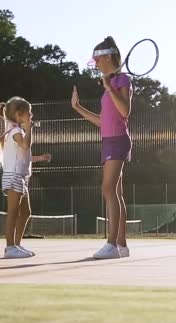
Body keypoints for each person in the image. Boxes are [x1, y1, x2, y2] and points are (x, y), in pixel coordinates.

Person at [71, 36, 132, 259]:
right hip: (108, 140)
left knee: (108, 190)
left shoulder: (122, 80)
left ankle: (111, 244)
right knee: (116, 192)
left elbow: (125, 110)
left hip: (118, 141)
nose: (95, 64)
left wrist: (109, 86)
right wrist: (78, 108)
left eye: (97, 59)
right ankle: (122, 245)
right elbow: (103, 121)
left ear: (107, 57)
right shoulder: (109, 86)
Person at [0, 97, 51, 258]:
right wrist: (29, 128)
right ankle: (10, 247)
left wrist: (40, 158)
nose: (31, 115)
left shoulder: (18, 132)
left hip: (20, 177)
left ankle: (17, 245)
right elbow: (26, 146)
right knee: (13, 212)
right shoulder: (16, 132)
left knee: (26, 212)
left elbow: (24, 155)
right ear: (20, 114)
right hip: (13, 177)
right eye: (29, 112)